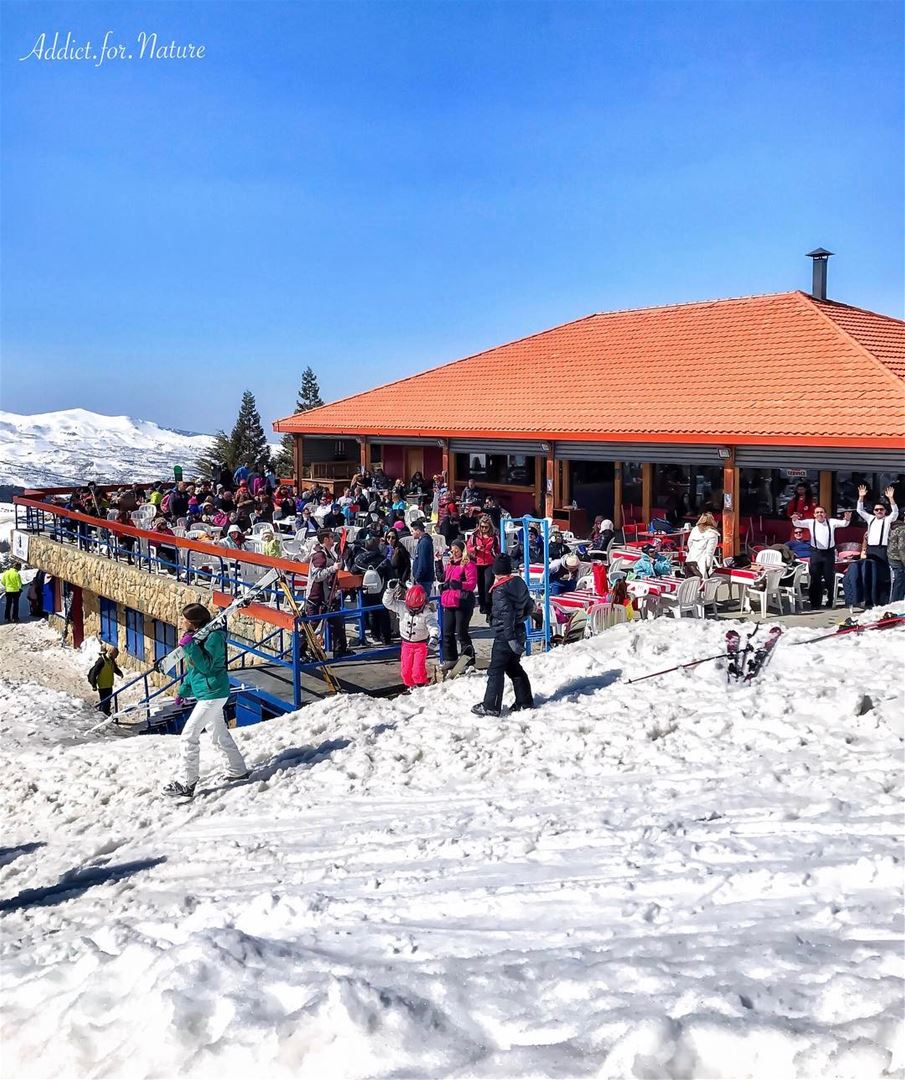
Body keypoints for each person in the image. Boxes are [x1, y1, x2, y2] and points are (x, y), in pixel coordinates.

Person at [161, 603, 248, 797]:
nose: (182, 622)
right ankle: (237, 770)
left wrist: (190, 647)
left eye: (185, 619)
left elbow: (207, 667)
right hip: (207, 692)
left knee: (189, 735)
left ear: (194, 622)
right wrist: (183, 691)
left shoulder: (214, 637)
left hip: (213, 692)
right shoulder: (198, 637)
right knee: (218, 734)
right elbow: (195, 670)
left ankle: (187, 783)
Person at [472, 554, 534, 717]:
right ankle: (524, 700)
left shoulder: (500, 589)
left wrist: (510, 637)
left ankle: (491, 705)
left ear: (496, 571)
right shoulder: (519, 582)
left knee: (496, 670)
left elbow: (507, 615)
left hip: (506, 635)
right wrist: (522, 619)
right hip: (519, 630)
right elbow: (530, 605)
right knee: (513, 667)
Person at [792, 505, 852, 609]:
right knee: (815, 578)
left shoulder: (831, 522)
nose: (820, 514)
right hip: (816, 553)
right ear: (814, 515)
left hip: (829, 553)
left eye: (821, 512)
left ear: (825, 514)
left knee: (829, 578)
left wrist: (847, 519)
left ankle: (830, 601)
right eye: (817, 512)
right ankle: (815, 603)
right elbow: (797, 523)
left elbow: (844, 524)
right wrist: (794, 518)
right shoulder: (811, 522)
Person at [382, 582, 438, 690]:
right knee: (405, 671)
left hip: (420, 645)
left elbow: (433, 625)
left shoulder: (427, 613)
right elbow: (387, 603)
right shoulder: (402, 607)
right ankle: (410, 686)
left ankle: (421, 686)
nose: (413, 611)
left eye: (416, 609)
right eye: (410, 608)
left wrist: (434, 636)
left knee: (418, 670)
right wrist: (390, 590)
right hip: (406, 644)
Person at [305, 528, 351, 658]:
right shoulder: (319, 555)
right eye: (331, 537)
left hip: (329, 595)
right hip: (317, 597)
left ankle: (340, 649)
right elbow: (317, 576)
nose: (333, 539)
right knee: (312, 625)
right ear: (325, 539)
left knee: (337, 622)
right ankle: (300, 651)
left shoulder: (329, 553)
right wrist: (332, 568)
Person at [856, 484, 899, 607]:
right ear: (874, 511)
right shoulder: (871, 519)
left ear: (885, 511)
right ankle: (869, 600)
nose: (879, 511)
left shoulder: (888, 519)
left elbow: (895, 512)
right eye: (876, 510)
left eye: (881, 510)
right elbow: (859, 510)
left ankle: (882, 601)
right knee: (869, 575)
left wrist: (891, 498)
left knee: (883, 576)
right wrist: (861, 497)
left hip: (883, 550)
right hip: (871, 550)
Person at [439, 538, 478, 673]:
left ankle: (468, 659)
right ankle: (451, 658)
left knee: (461, 632)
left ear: (462, 550)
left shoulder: (468, 564)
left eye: (457, 550)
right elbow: (442, 578)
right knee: (447, 631)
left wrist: (460, 585)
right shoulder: (450, 564)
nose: (454, 553)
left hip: (463, 601)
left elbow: (472, 584)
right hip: (449, 601)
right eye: (453, 550)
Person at [467, 515, 499, 616]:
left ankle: (489, 607)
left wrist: (495, 555)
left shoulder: (494, 536)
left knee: (488, 585)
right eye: (482, 527)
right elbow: (468, 548)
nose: (484, 529)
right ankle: (482, 605)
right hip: (478, 562)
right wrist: (476, 548)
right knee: (480, 586)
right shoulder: (475, 536)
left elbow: (498, 549)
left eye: (486, 527)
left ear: (490, 526)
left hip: (490, 563)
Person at [87, 644, 123, 715]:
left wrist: (119, 673)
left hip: (109, 684)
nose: (116, 656)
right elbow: (94, 672)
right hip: (103, 685)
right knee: (104, 701)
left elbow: (114, 668)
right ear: (111, 652)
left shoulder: (111, 660)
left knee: (107, 700)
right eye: (115, 654)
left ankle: (106, 713)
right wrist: (93, 684)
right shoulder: (102, 660)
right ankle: (102, 714)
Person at [685, 513, 720, 578]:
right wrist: (708, 566)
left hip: (690, 560)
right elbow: (710, 552)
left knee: (690, 585)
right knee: (702, 585)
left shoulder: (694, 529)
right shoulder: (712, 534)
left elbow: (689, 544)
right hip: (702, 562)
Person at [410, 519, 435, 596]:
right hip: (423, 579)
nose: (411, 534)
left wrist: (417, 577)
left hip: (423, 580)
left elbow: (423, 563)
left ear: (418, 531)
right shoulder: (423, 541)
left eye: (412, 531)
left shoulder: (424, 543)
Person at [887, 517, 905, 604]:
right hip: (898, 558)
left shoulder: (895, 527)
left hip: (892, 557)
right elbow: (902, 548)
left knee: (899, 580)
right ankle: (895, 603)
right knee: (900, 581)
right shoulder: (903, 529)